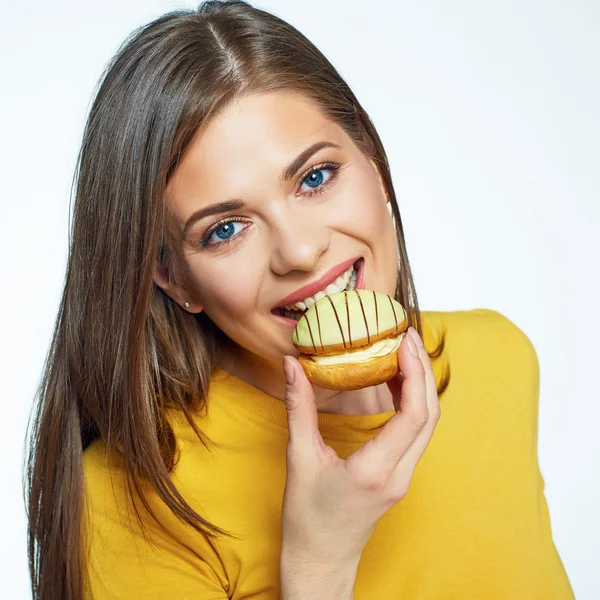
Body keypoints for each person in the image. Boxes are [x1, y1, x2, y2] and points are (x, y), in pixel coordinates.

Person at [24, 1, 574, 598]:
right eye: (226, 229)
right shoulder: (134, 500)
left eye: (315, 177)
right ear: (174, 279)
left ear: (373, 160)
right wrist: (318, 562)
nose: (301, 251)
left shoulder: (495, 358)